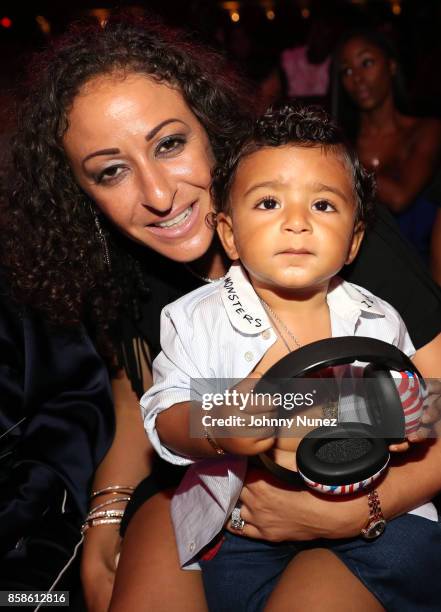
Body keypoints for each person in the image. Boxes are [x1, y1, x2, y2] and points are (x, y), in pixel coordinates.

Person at [3, 16, 441, 611]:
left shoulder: (323, 226)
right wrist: (105, 514)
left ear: (211, 129)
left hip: (369, 495)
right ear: (80, 192)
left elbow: (427, 399)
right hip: (206, 487)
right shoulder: (129, 265)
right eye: (111, 170)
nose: (158, 194)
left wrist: (347, 512)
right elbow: (141, 392)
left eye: (169, 143)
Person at [140, 104, 441, 612]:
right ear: (229, 234)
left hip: (378, 518)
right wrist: (219, 422)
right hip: (247, 528)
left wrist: (411, 420)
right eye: (269, 203)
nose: (297, 223)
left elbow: (422, 405)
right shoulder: (194, 319)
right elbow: (162, 417)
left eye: (323, 205)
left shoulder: (378, 318)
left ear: (353, 242)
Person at [335, 28, 441, 268]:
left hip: (420, 272)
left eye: (367, 63)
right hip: (358, 273)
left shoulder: (425, 131)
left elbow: (400, 198)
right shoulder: (342, 140)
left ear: (391, 66)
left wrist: (334, 158)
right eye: (347, 70)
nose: (357, 78)